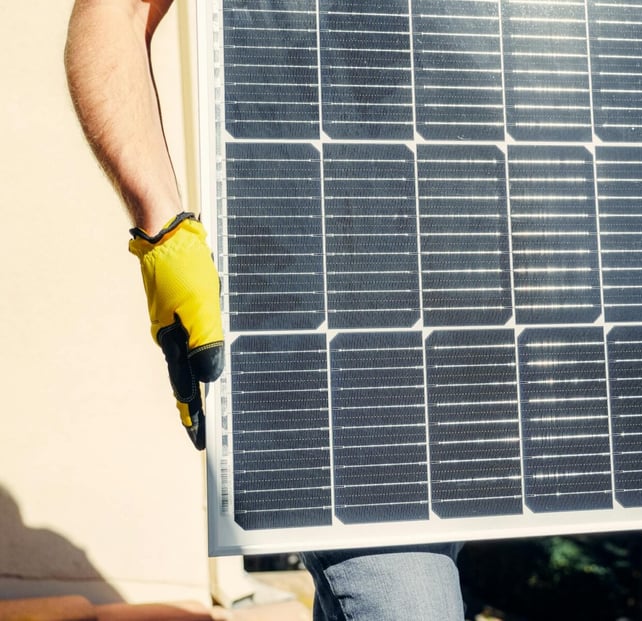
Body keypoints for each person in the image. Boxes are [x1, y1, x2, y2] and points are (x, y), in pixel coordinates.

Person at [63, 1, 466, 619]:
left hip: (476, 329)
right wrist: (164, 230)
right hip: (340, 342)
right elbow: (116, 10)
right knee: (412, 602)